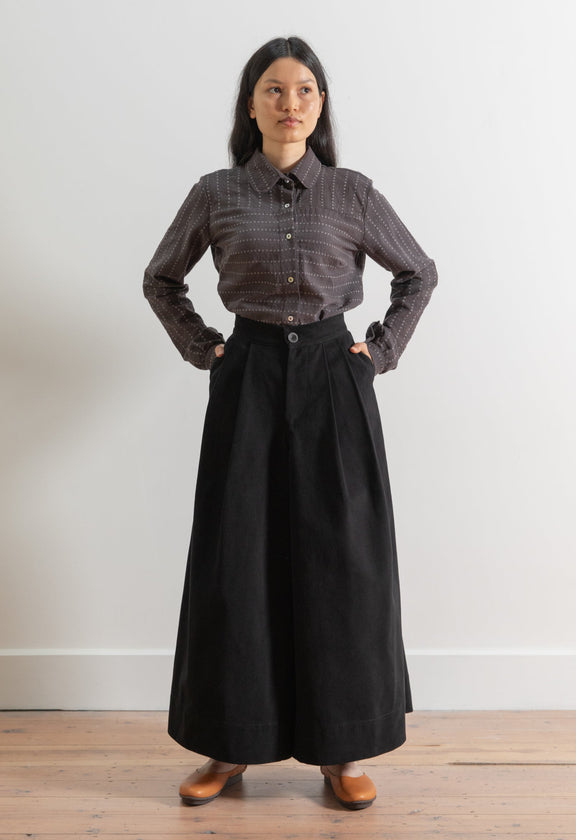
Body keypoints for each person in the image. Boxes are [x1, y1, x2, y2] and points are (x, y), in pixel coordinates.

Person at [143, 35, 438, 811]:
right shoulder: (214, 193)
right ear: (251, 103)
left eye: (306, 89)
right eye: (275, 89)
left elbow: (419, 272)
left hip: (335, 380)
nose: (291, 102)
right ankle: (230, 746)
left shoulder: (353, 193)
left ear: (320, 104)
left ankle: (342, 750)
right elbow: (160, 278)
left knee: (343, 562)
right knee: (237, 562)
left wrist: (376, 354)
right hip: (246, 374)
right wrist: (204, 348)